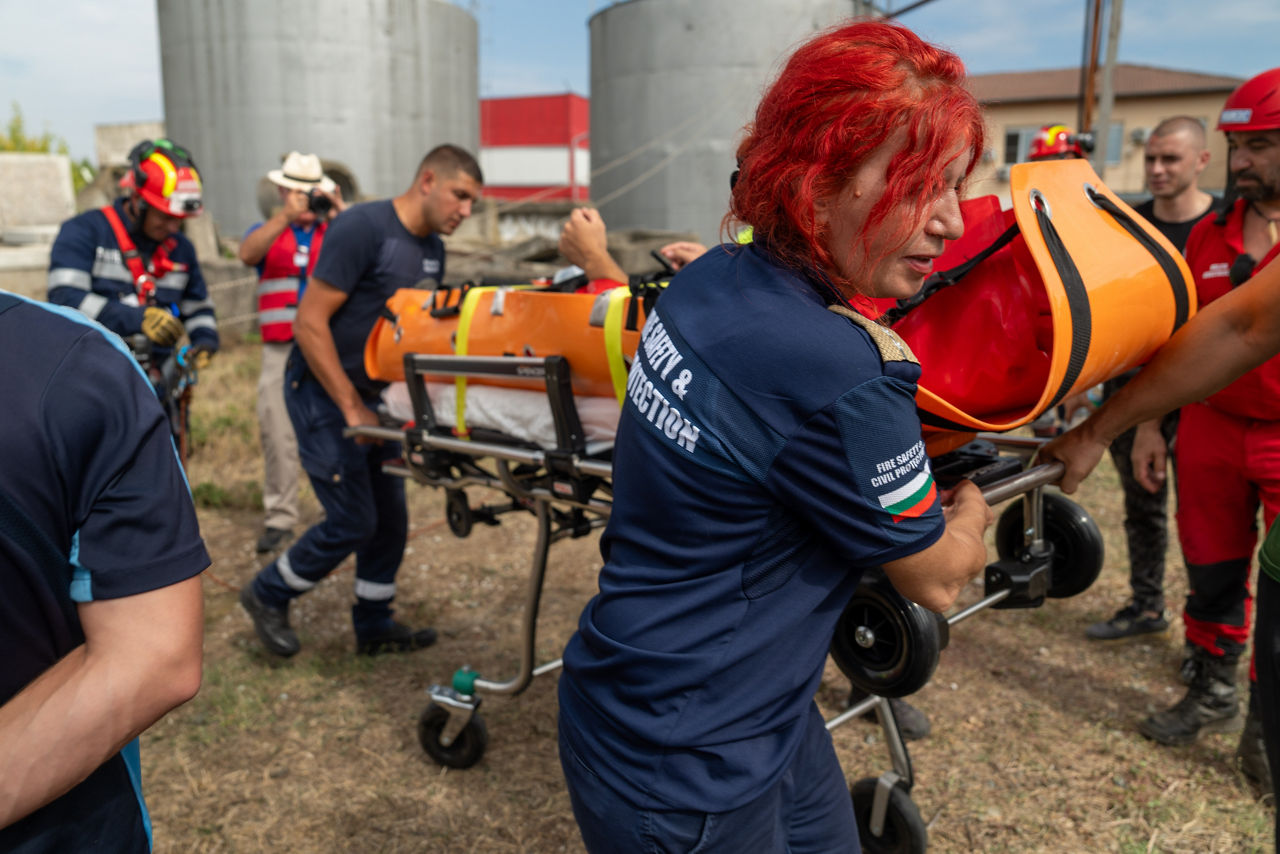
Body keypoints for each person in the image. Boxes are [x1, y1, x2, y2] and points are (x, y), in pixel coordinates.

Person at [556, 21, 993, 852]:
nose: (951, 221)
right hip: (684, 763)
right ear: (816, 183)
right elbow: (935, 579)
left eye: (953, 185)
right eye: (917, 185)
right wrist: (968, 509)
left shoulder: (712, 276)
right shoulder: (840, 364)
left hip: (738, 710)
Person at [1042, 68, 1280, 810]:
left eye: (1261, 146)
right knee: (1211, 568)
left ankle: (1266, 727)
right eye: (1238, 146)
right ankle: (1213, 690)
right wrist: (1147, 424)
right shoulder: (1207, 235)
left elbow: (1244, 328)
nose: (1243, 161)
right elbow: (1185, 339)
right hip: (1209, 426)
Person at [239, 144, 483, 658]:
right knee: (353, 519)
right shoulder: (364, 228)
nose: (465, 210)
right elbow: (309, 323)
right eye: (459, 195)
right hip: (323, 394)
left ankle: (374, 623)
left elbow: (412, 336)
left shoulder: (432, 250)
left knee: (390, 519)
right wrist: (350, 406)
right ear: (427, 180)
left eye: (472, 203)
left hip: (378, 401)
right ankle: (267, 592)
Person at [0, 292, 207, 850]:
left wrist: (205, 335)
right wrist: (131, 316)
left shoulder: (71, 365)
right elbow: (70, 289)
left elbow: (151, 655)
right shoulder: (71, 355)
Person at [1086, 116, 1222, 642]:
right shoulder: (1128, 226)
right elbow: (1107, 308)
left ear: (1201, 161)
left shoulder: (1223, 229)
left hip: (1203, 394)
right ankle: (1147, 607)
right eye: (1151, 158)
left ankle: (1208, 627)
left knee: (1205, 517)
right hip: (1132, 389)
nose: (1158, 169)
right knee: (1141, 507)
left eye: (1171, 159)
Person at [239, 152, 347, 555]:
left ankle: (337, 511)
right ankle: (280, 518)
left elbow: (367, 249)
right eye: (298, 193)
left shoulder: (335, 231)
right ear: (283, 192)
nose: (305, 200)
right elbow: (247, 254)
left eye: (312, 193)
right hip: (280, 349)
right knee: (278, 432)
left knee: (333, 428)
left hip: (327, 347)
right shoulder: (268, 231)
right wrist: (285, 217)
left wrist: (339, 211)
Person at [47, 138, 219, 375]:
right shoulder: (84, 232)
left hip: (156, 379)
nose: (173, 228)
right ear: (138, 201)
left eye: (179, 220)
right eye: (165, 217)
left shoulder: (182, 249)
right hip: (93, 373)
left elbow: (198, 307)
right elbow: (65, 299)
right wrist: (136, 319)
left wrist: (204, 342)